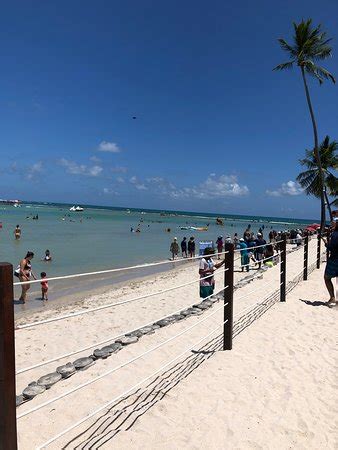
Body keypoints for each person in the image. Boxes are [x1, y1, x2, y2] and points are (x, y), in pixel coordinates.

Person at [323, 220, 338, 306]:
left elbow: (332, 248)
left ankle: (332, 297)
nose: (332, 224)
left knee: (327, 277)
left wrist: (326, 243)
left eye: (334, 223)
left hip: (335, 259)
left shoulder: (335, 234)